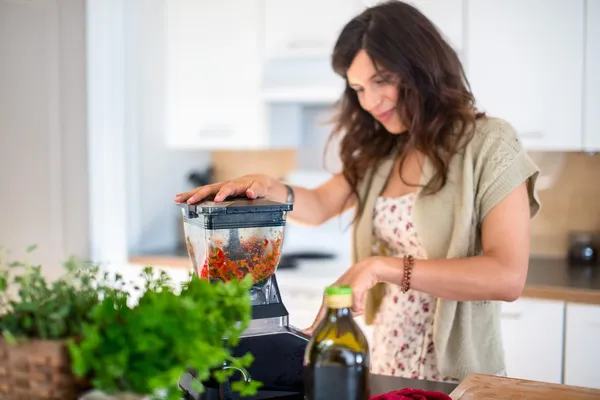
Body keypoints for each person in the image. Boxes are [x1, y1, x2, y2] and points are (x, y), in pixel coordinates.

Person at [174, 0, 540, 384]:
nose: (370, 101)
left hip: (461, 376)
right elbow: (317, 206)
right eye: (358, 88)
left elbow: (506, 276)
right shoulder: (382, 150)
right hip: (388, 364)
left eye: (382, 80)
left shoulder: (490, 143)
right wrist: (269, 186)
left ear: (423, 67)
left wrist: (380, 267)